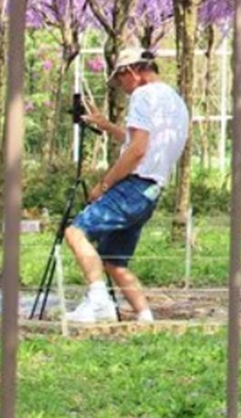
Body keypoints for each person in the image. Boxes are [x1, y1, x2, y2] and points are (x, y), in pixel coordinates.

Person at [64, 47, 189, 324]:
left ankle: (98, 302)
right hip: (152, 190)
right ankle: (145, 316)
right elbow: (141, 141)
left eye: (120, 81)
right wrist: (106, 126)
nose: (122, 88)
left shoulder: (143, 95)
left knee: (75, 232)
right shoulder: (175, 100)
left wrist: (104, 184)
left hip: (133, 185)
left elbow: (137, 151)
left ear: (131, 71)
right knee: (113, 261)